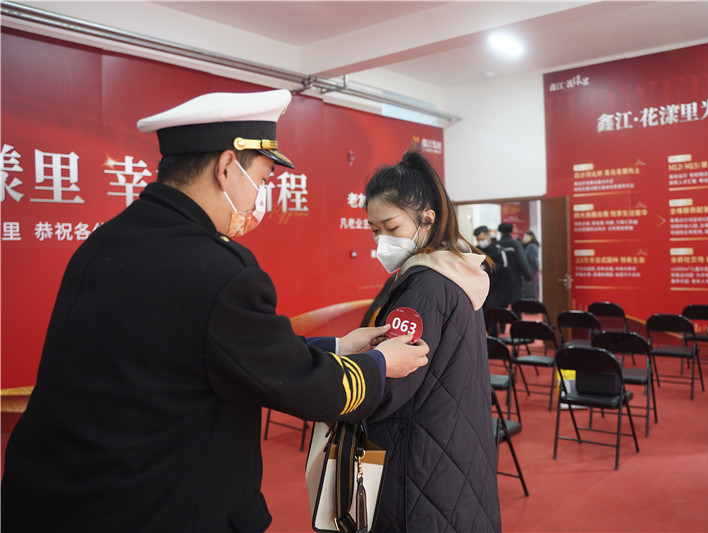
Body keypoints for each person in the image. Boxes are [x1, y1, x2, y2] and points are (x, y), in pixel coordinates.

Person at [1, 90, 429, 533]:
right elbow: (301, 387)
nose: (260, 196)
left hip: (58, 496)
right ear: (227, 168)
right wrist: (379, 364)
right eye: (262, 179)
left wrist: (338, 345)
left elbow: (215, 348)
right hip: (156, 505)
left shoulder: (108, 240)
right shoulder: (219, 269)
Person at [364, 149, 502, 532]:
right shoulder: (455, 271)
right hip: (454, 445)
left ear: (427, 218)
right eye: (374, 230)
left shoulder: (422, 287)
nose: (381, 241)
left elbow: (391, 387)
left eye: (391, 227)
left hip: (419, 461)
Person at [496, 222, 535, 306]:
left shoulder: (497, 245)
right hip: (515, 280)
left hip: (500, 281)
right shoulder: (515, 244)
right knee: (516, 307)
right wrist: (528, 277)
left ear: (500, 232)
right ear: (511, 231)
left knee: (501, 309)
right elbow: (522, 261)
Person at [473, 225, 507, 310]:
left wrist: (486, 268)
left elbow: (504, 267)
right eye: (478, 240)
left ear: (488, 235)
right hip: (480, 288)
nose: (480, 242)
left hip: (496, 288)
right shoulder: (476, 250)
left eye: (482, 239)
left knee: (493, 312)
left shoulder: (498, 249)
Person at [521, 229, 540, 299]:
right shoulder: (530, 246)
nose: (524, 238)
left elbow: (534, 260)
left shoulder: (532, 246)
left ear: (531, 237)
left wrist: (537, 269)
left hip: (531, 271)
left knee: (530, 292)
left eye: (526, 236)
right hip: (530, 271)